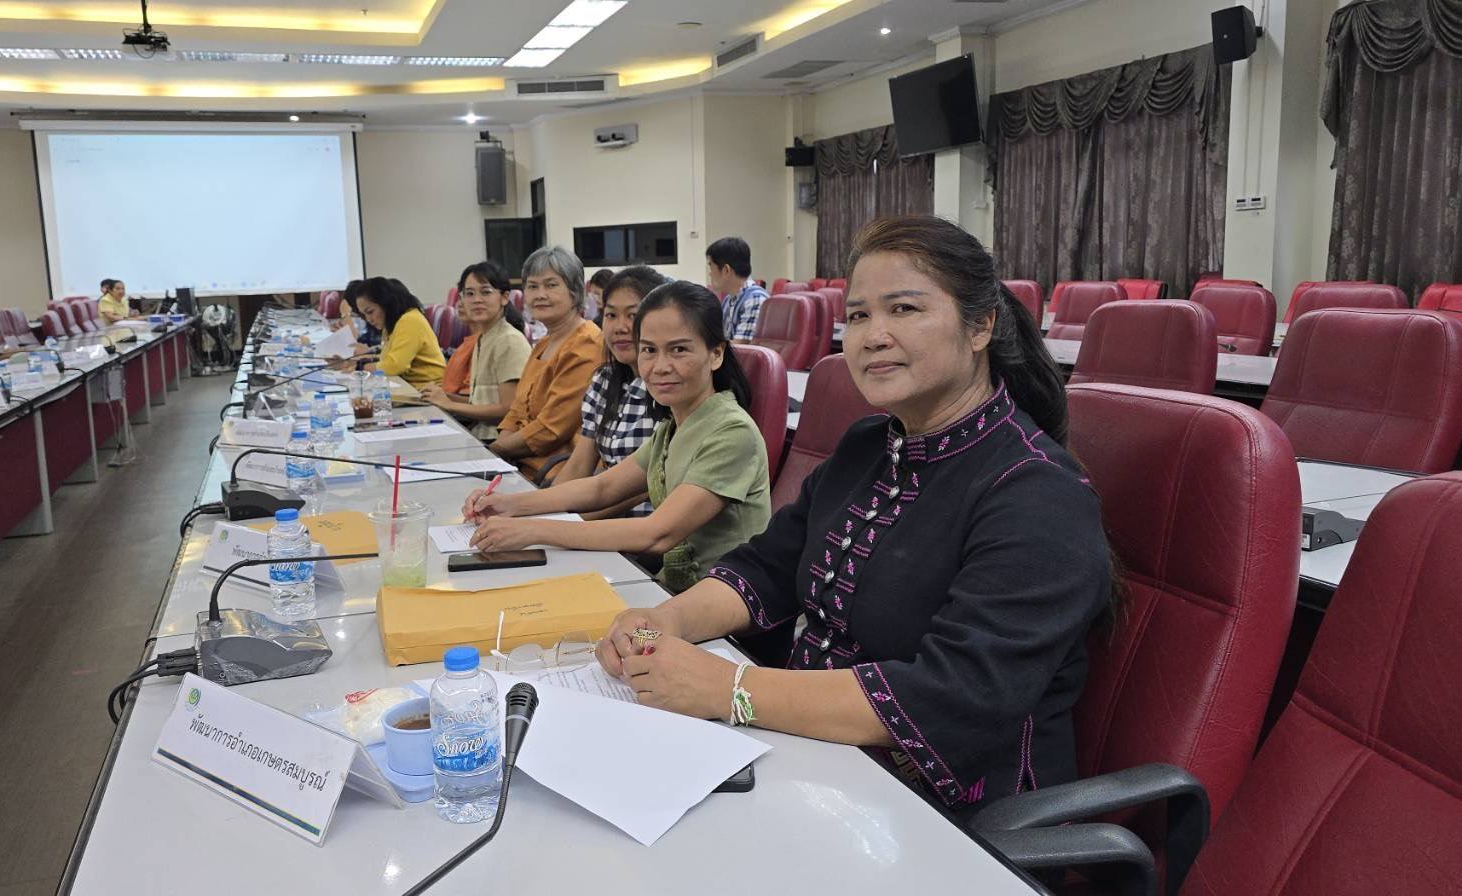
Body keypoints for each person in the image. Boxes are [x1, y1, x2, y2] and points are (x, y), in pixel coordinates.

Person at [593, 216, 1114, 814]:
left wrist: (728, 689)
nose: (871, 336)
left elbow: (950, 696)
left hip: (947, 811)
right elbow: (767, 566)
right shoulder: (868, 444)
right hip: (810, 755)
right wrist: (665, 621)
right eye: (860, 315)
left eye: (904, 310)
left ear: (981, 326)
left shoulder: (1038, 492)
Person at [466, 280, 771, 593]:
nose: (661, 366)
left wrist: (531, 530)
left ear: (716, 354)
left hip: (730, 608)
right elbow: (603, 487)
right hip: (679, 590)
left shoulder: (731, 431)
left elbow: (658, 533)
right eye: (649, 350)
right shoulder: (675, 426)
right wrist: (510, 505)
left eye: (678, 350)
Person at [555, 266, 667, 517]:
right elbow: (578, 466)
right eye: (611, 315)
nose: (620, 327)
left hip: (644, 535)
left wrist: (561, 525)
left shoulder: (672, 389)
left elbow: (646, 489)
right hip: (598, 524)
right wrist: (537, 512)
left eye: (633, 315)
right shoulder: (604, 380)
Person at [489, 246, 605, 480]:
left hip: (553, 474)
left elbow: (551, 429)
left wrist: (494, 451)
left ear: (574, 292)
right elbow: (517, 410)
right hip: (518, 465)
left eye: (551, 285)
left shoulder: (586, 344)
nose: (540, 294)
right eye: (532, 286)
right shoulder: (543, 344)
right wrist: (496, 455)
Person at [421, 263, 530, 440]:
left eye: (485, 292)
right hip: (477, 434)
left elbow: (508, 410)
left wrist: (449, 404)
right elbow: (481, 402)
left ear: (504, 297)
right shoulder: (484, 337)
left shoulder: (509, 340)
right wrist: (442, 396)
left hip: (497, 440)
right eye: (469, 294)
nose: (477, 300)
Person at [344, 277, 446, 388]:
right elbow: (388, 359)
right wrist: (360, 362)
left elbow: (394, 366)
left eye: (370, 312)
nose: (368, 319)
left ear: (385, 303)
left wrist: (360, 368)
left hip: (430, 389)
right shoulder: (392, 325)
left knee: (364, 395)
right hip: (412, 386)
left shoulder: (410, 320)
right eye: (364, 315)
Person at [707, 237, 767, 343]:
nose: (710, 273)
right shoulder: (729, 299)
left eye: (711, 266)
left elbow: (740, 348)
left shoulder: (755, 299)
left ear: (726, 270)